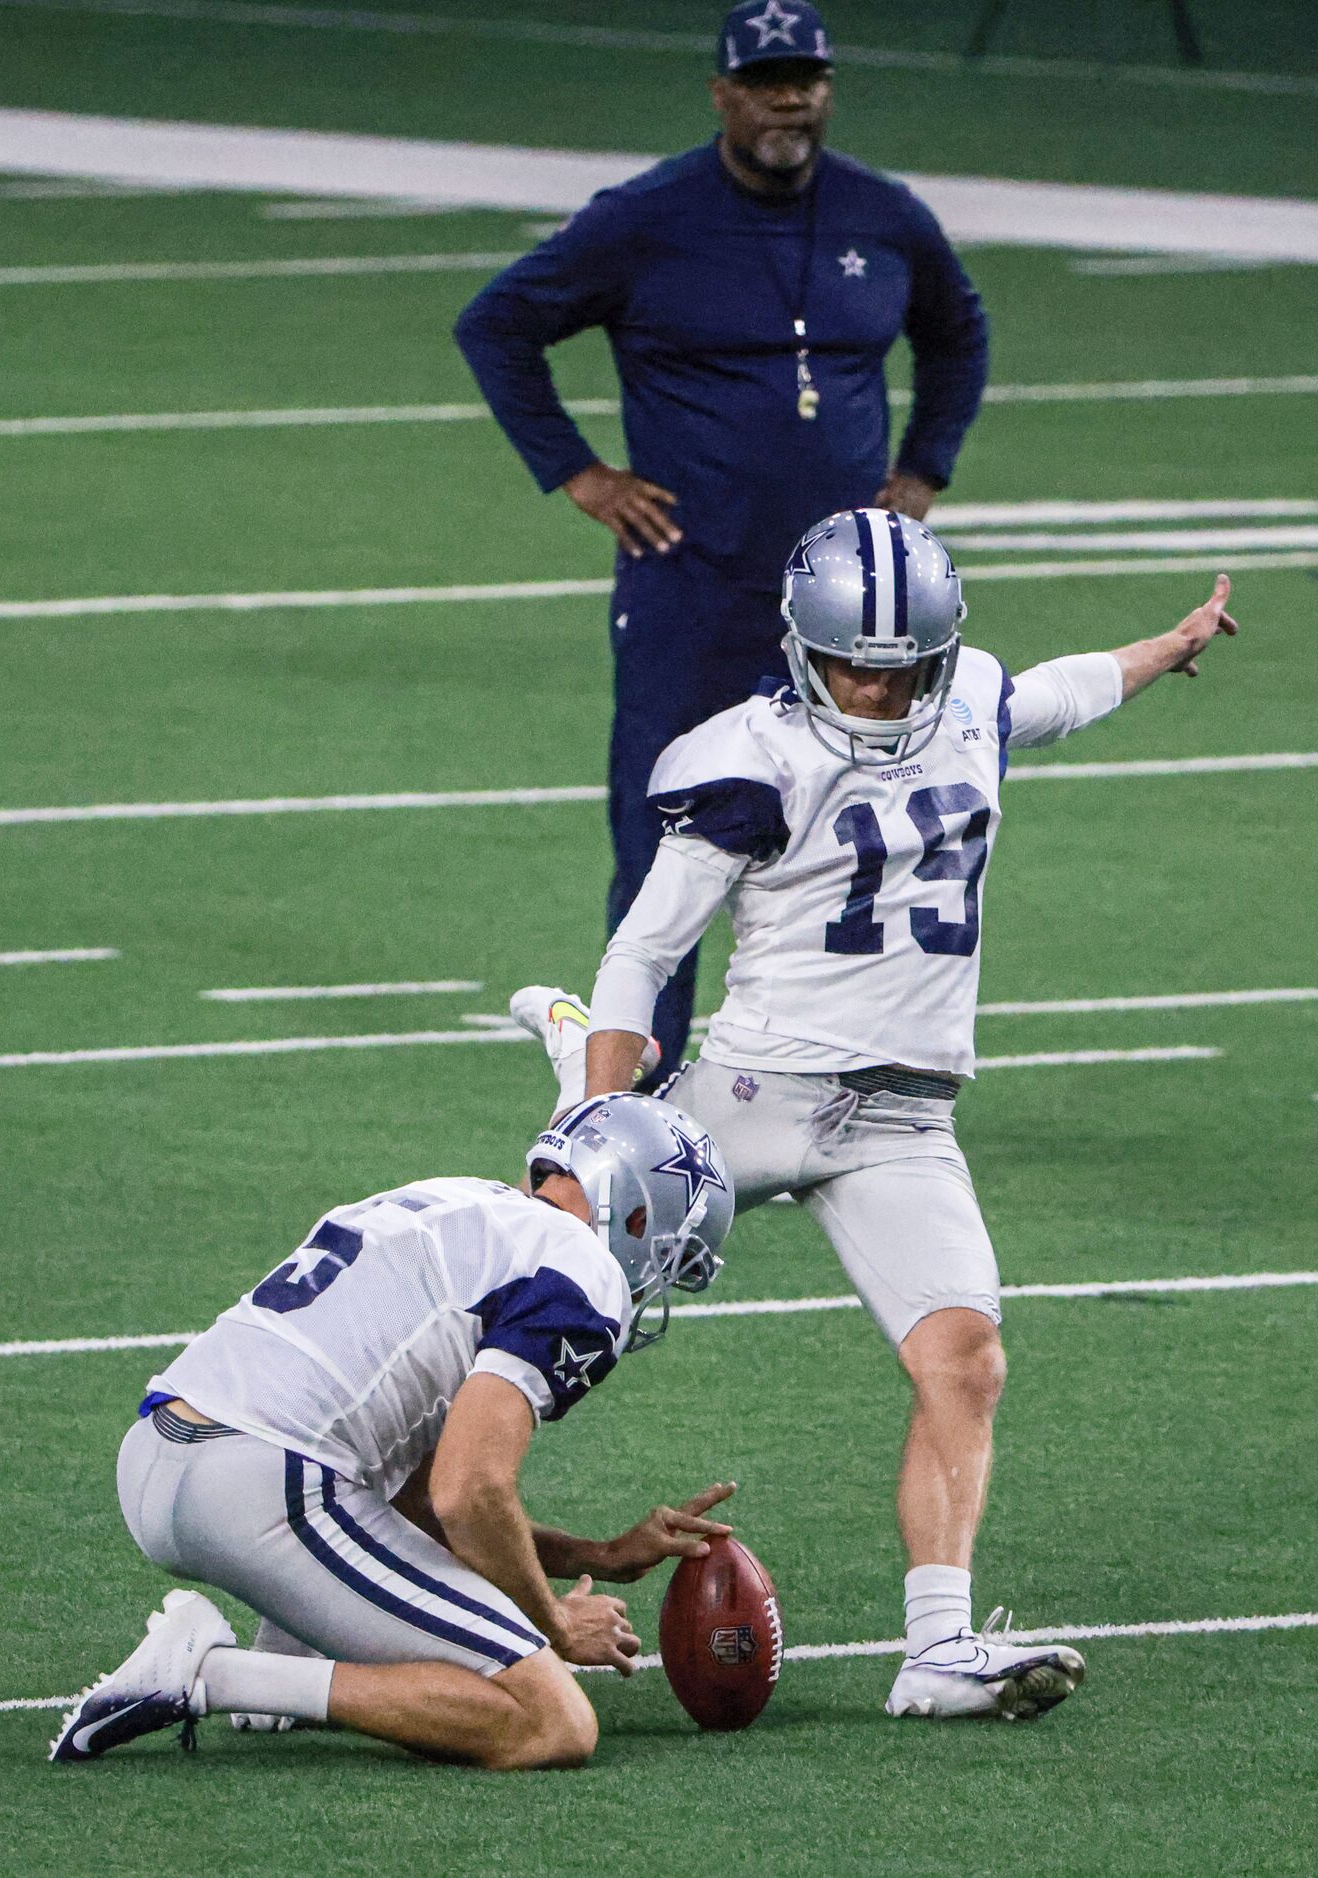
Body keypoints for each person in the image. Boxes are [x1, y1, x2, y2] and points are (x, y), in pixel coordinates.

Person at [513, 508, 1238, 1721]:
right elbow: (643, 953)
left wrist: (1167, 647)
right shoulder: (751, 757)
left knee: (965, 1360)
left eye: (906, 666)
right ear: (802, 647)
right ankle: (380, 1566)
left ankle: (938, 1649)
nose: (882, 688)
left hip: (902, 1117)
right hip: (750, 1094)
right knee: (538, 1303)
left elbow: (1056, 692)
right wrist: (598, 1117)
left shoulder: (970, 704)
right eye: (856, 662)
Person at [455, 0, 989, 1081]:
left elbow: (957, 329)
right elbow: (497, 323)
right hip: (690, 588)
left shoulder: (881, 216)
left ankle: (830, 1070)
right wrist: (580, 472)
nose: (789, 96)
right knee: (668, 835)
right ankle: (638, 1082)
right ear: (723, 94)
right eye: (767, 78)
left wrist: (926, 464)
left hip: (847, 614)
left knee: (854, 835)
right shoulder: (646, 216)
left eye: (808, 76)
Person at [50, 1096, 735, 1770]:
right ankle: (215, 1674)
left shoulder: (454, 1197)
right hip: (267, 1484)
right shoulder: (581, 1267)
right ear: (640, 1212)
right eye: (670, 1252)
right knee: (552, 1723)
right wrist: (552, 1625)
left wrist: (600, 1555)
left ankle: (293, 1640)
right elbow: (467, 1494)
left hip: (164, 1455)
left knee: (375, 1475)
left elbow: (417, 1499)